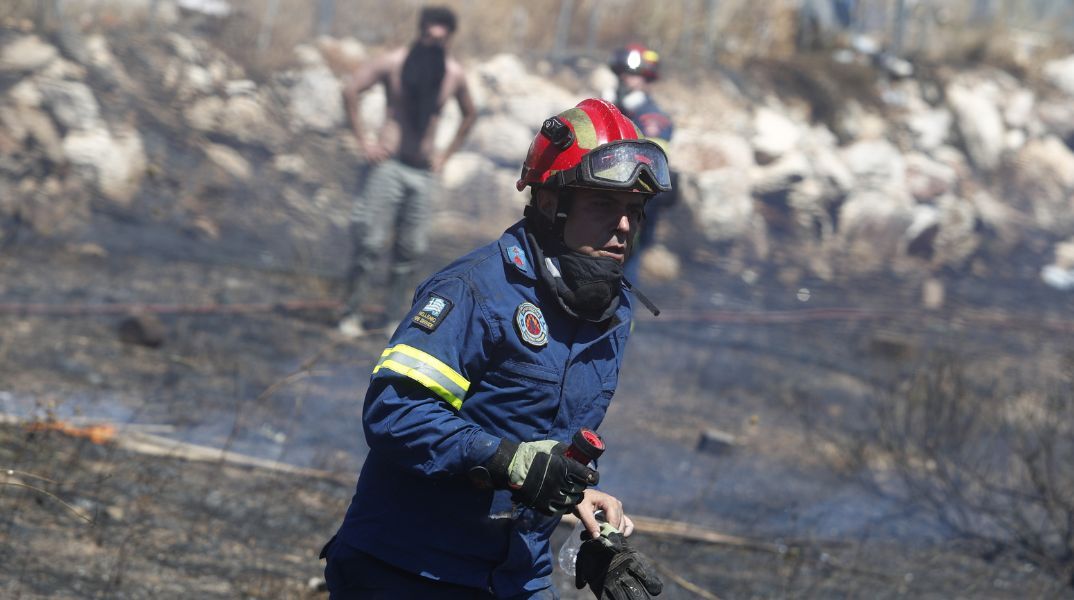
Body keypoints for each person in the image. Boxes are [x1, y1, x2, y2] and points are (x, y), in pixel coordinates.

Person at [321, 99, 667, 599]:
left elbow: (543, 444)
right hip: (409, 569)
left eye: (634, 211)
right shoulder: (474, 291)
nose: (625, 228)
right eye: (603, 206)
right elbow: (395, 412)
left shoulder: (608, 315)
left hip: (516, 578)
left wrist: (577, 503)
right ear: (551, 202)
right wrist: (508, 460)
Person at [339, 5, 477, 337]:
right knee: (369, 242)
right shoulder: (395, 62)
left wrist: (446, 155)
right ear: (421, 30)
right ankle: (351, 313)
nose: (433, 38)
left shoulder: (454, 74)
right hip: (387, 165)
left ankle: (391, 318)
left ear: (449, 37)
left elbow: (470, 113)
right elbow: (351, 89)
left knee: (410, 249)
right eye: (429, 31)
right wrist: (364, 141)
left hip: (423, 173)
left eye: (441, 34)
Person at [603, 44, 675, 285]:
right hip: (603, 205)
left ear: (646, 80)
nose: (626, 80)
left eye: (633, 75)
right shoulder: (610, 110)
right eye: (622, 74)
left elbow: (651, 163)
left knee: (622, 278)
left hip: (635, 211)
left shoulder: (653, 118)